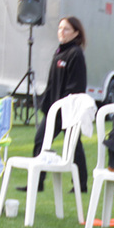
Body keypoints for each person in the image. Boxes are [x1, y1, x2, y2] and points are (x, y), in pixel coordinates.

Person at [33, 15, 88, 193]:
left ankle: (81, 184)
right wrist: (46, 103)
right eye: (59, 28)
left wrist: (64, 106)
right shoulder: (59, 52)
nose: (61, 32)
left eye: (66, 29)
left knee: (73, 146)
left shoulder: (75, 54)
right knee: (40, 140)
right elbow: (51, 83)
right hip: (53, 109)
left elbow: (76, 85)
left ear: (76, 33)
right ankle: (37, 181)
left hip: (67, 110)